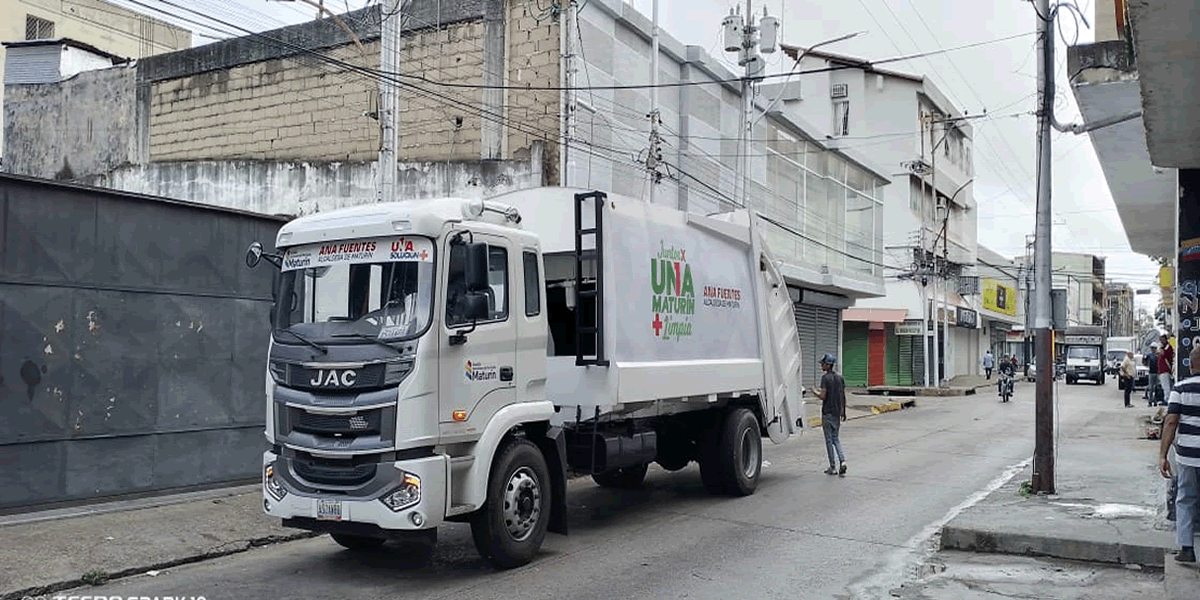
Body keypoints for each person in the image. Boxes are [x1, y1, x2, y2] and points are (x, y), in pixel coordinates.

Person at [1159, 344, 1200, 564]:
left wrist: (1163, 455)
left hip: (1188, 455)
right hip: (1188, 454)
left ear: (1191, 365)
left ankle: (1187, 548)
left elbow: (1171, 421)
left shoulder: (1181, 388)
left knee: (1185, 498)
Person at [811, 353, 847, 476]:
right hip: (837, 413)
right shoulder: (840, 378)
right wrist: (843, 411)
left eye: (823, 364)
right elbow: (843, 396)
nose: (821, 365)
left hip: (827, 413)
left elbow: (823, 396)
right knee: (836, 439)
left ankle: (833, 467)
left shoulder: (825, 378)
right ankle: (842, 461)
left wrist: (814, 391)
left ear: (828, 365)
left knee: (829, 440)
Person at [1159, 334, 1175, 405]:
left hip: (1165, 370)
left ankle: (1167, 399)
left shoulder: (1167, 348)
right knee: (1166, 385)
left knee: (1166, 386)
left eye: (1163, 340)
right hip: (1163, 370)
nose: (1162, 341)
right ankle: (1168, 398)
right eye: (1161, 340)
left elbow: (1167, 357)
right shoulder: (1163, 348)